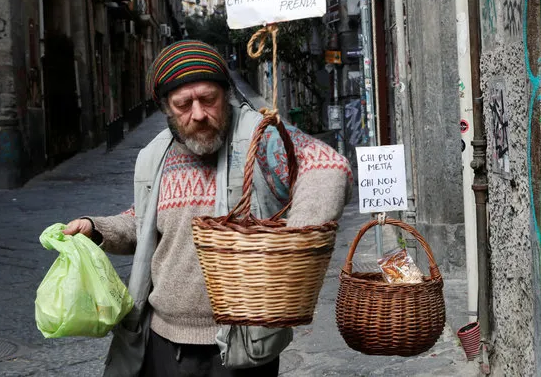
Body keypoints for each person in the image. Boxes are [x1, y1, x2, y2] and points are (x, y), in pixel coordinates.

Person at [64, 40, 353, 377]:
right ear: (167, 109)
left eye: (208, 99)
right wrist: (96, 228)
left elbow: (328, 167)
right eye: (183, 104)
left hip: (242, 343)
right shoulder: (153, 157)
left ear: (225, 94)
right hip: (163, 341)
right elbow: (143, 224)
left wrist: (294, 240)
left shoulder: (259, 137)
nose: (198, 114)